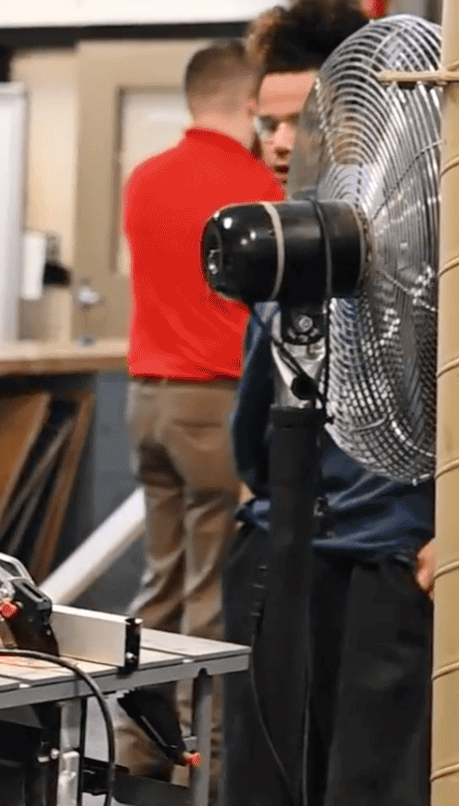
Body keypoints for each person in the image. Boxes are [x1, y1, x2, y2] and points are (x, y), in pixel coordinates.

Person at [221, 0, 434, 806]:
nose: (279, 143)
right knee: (263, 775)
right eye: (267, 123)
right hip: (280, 552)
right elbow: (255, 408)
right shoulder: (289, 234)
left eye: (297, 120)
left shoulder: (434, 239)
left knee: (370, 783)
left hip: (392, 559)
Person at [114, 39, 282, 788]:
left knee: (163, 581)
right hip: (215, 404)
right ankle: (207, 764)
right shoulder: (258, 186)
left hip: (146, 401)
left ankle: (138, 747)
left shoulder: (144, 179)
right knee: (214, 589)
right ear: (251, 105)